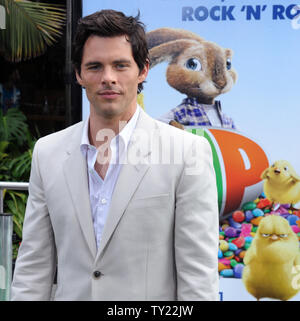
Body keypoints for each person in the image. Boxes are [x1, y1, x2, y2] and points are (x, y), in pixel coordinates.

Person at [11, 9, 219, 301]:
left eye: (120, 65)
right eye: (95, 66)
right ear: (78, 74)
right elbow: (33, 267)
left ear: (143, 70)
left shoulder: (187, 154)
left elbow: (198, 277)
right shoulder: (48, 153)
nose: (108, 78)